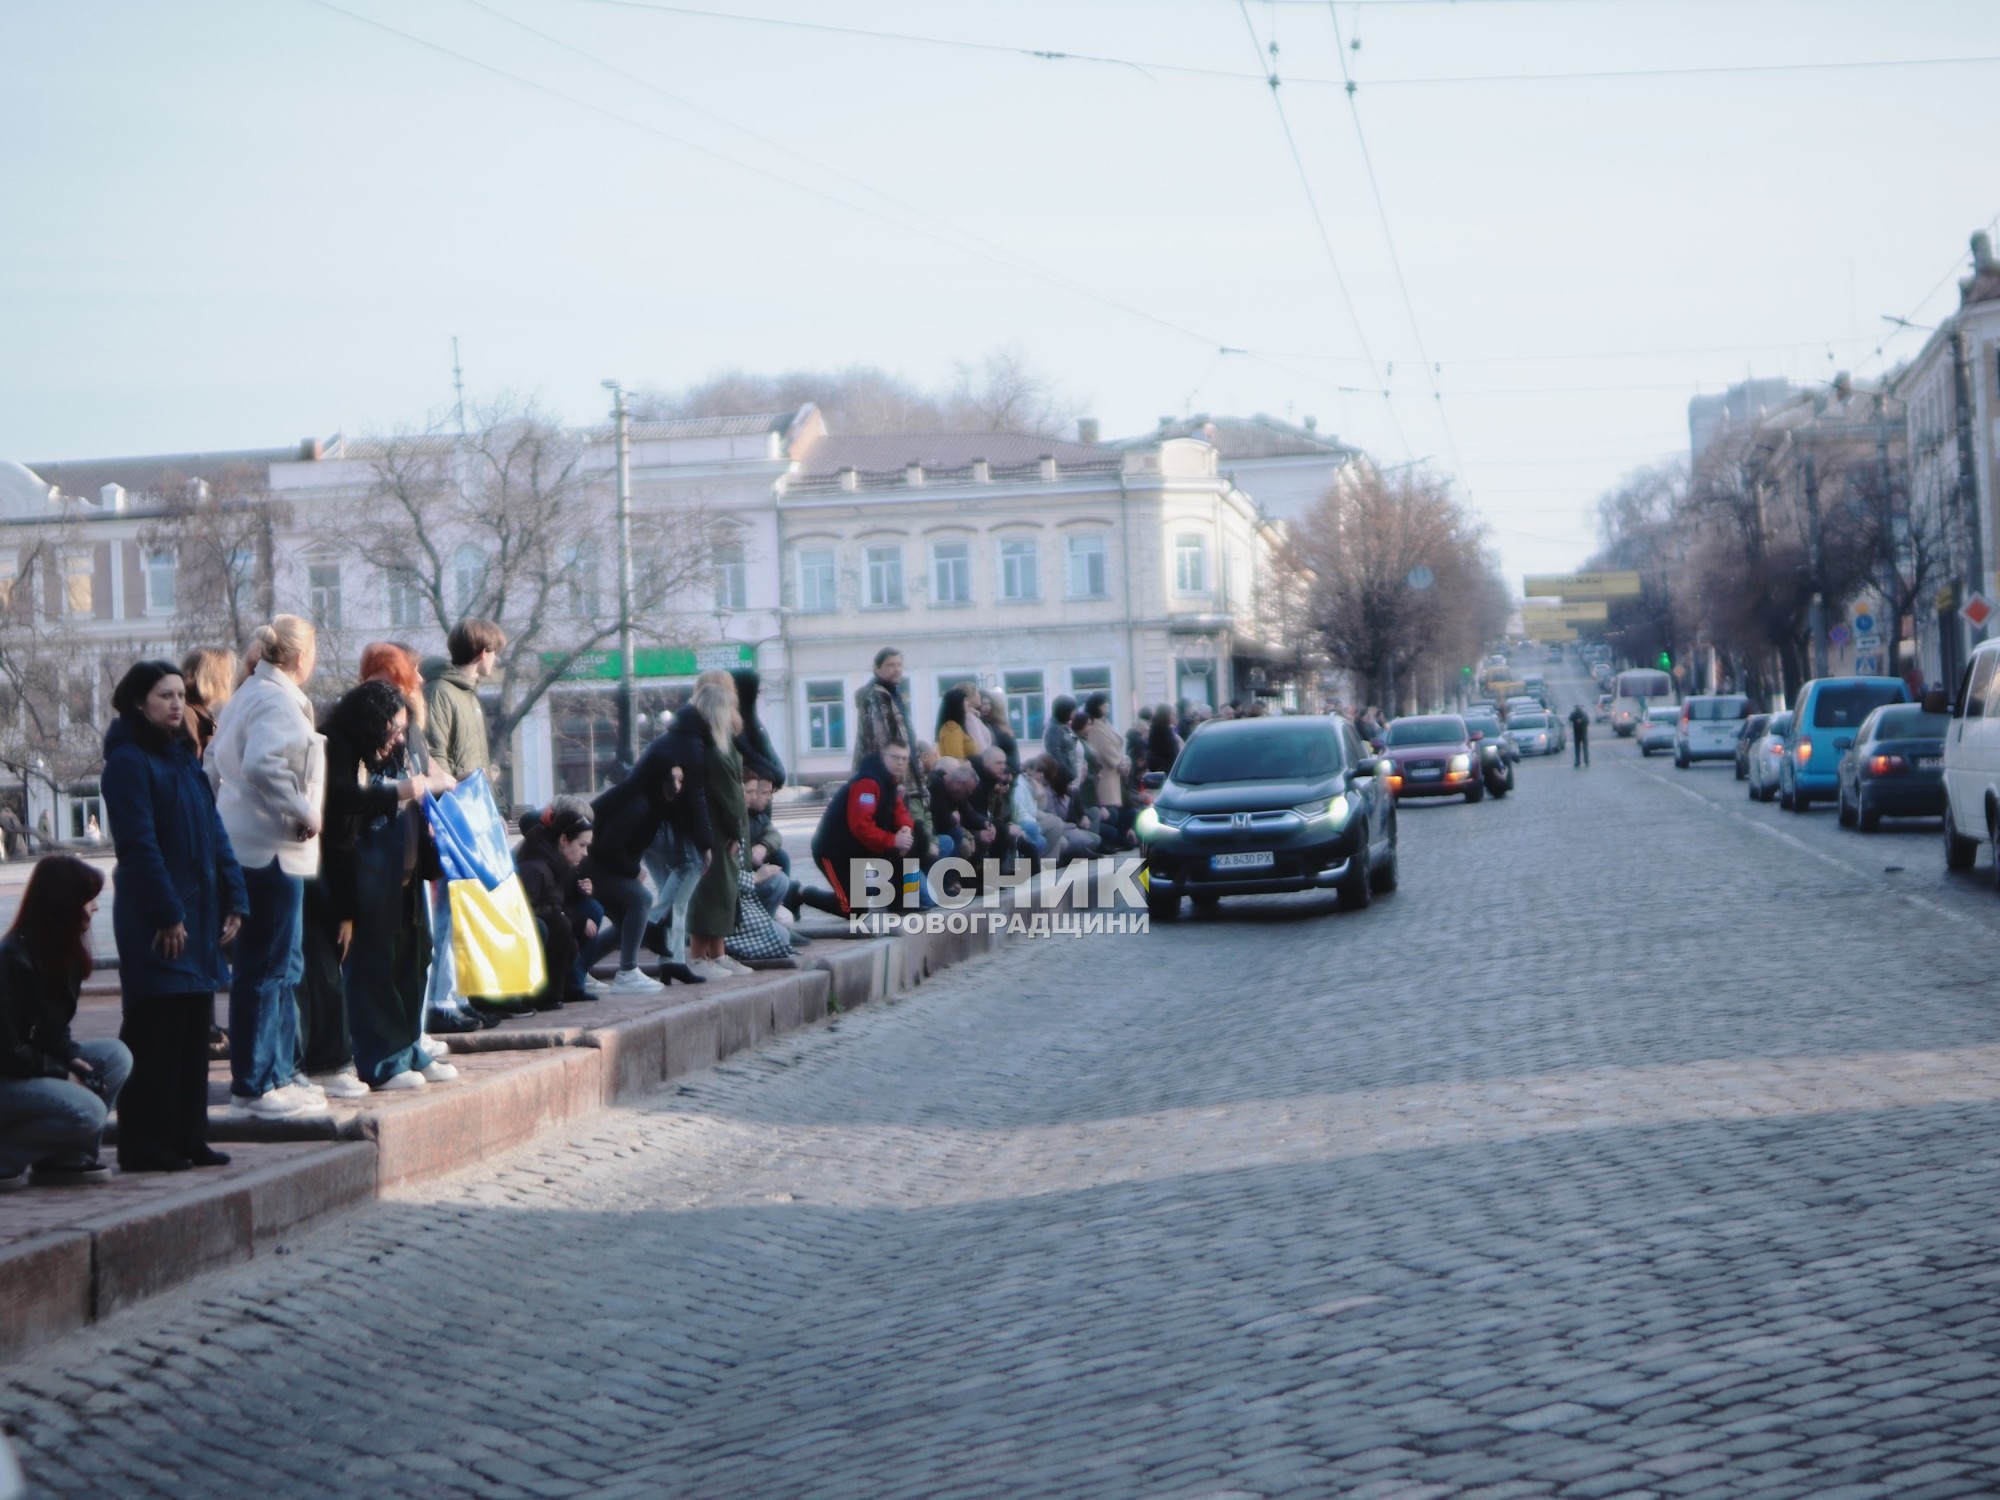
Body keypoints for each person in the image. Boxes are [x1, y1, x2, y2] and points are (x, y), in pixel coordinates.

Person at [101, 660, 248, 1171]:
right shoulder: (128, 762)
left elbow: (214, 832)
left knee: (190, 1034)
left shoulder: (183, 757)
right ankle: (146, 1145)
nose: (177, 704)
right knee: (156, 1034)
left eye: (181, 695)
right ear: (138, 702)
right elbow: (138, 846)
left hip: (200, 917)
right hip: (158, 920)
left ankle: (189, 1137)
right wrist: (167, 912)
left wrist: (236, 896)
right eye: (165, 696)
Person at [205, 616, 328, 1119]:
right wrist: (302, 810)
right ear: (300, 657)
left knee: (279, 965)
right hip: (270, 848)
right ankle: (256, 1083)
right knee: (268, 967)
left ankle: (274, 1073)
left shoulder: (251, 694)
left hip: (259, 843)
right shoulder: (274, 699)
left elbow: (214, 762)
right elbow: (260, 764)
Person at [321, 680, 456, 1092]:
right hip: (365, 874)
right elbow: (339, 800)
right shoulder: (337, 745)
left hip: (405, 874)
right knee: (374, 969)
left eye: (402, 729)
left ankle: (409, 1046)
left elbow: (429, 775)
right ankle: (381, 1059)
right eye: (393, 729)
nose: (398, 738)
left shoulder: (402, 745)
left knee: (415, 960)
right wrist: (396, 792)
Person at [0, 856, 129, 1188]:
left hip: (30, 1068)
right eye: (88, 899)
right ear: (64, 904)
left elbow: (52, 1030)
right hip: (8, 1077)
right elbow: (8, 1048)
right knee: (90, 1110)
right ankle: (7, 1156)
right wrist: (62, 1073)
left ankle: (69, 1157)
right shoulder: (11, 959)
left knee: (115, 1057)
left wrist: (72, 1058)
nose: (95, 907)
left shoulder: (61, 952)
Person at [421, 618, 505, 1036]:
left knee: (465, 909)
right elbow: (437, 754)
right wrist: (446, 804)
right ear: (482, 653)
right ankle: (441, 1001)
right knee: (450, 910)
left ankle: (457, 996)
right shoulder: (443, 692)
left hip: (472, 812)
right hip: (455, 814)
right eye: (495, 652)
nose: (497, 660)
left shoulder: (467, 695)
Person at [590, 703, 706, 992]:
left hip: (602, 866)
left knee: (632, 915)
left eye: (682, 780)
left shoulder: (654, 804)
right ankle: (629, 968)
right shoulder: (640, 806)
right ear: (660, 780)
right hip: (593, 866)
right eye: (674, 780)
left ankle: (581, 966)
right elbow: (609, 847)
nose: (679, 787)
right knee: (641, 900)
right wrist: (633, 871)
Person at [685, 679, 749, 982]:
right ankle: (700, 956)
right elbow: (731, 795)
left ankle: (716, 954)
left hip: (716, 826)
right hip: (718, 829)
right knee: (713, 891)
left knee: (721, 891)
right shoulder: (716, 748)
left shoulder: (712, 743)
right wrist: (738, 830)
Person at [811, 741, 915, 916]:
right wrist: (893, 840)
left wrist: (906, 829)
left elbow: (899, 810)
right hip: (834, 851)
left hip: (858, 848)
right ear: (883, 756)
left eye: (905, 758)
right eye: (895, 757)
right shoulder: (867, 783)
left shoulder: (889, 782)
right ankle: (800, 894)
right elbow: (861, 826)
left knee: (910, 841)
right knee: (853, 909)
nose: (900, 762)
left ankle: (900, 903)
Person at [514, 799, 595, 1010]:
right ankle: (540, 994)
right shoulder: (536, 867)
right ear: (563, 840)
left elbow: (556, 900)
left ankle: (564, 988)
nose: (585, 853)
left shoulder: (556, 863)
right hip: (521, 938)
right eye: (582, 845)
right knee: (560, 925)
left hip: (545, 924)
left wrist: (580, 892)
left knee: (584, 917)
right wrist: (567, 918)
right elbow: (521, 912)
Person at [1082, 693, 1132, 842]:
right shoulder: (1095, 727)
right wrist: (1120, 762)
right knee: (1111, 811)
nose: (1107, 706)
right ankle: (1109, 840)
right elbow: (1105, 748)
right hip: (1106, 774)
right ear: (1097, 707)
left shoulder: (1106, 723)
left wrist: (1124, 760)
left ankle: (1117, 839)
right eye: (1104, 704)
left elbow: (1116, 746)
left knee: (1117, 810)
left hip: (1115, 773)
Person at [179, 646, 238, 760]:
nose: (229, 680)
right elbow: (194, 760)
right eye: (227, 674)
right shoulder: (187, 714)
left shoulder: (201, 712)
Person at [731, 668, 785, 789]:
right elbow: (778, 774)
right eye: (756, 690)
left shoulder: (751, 719)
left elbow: (778, 771)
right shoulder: (738, 724)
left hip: (759, 789)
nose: (759, 693)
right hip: (751, 790)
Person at [935, 684, 980, 762]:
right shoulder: (951, 727)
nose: (968, 703)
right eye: (965, 700)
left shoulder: (957, 726)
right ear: (957, 704)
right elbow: (956, 758)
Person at [1147, 707, 1184, 774]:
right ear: (1166, 716)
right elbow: (1172, 752)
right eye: (1172, 714)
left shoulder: (1161, 729)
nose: (1175, 717)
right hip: (1167, 769)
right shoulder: (1164, 731)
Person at [1569, 703, 1591, 768]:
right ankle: (1585, 761)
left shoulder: (1576, 714)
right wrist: (1582, 720)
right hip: (1582, 734)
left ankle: (1579, 762)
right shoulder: (1583, 714)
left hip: (1578, 734)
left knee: (1578, 749)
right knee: (1584, 748)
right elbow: (1588, 721)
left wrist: (1580, 720)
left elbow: (1570, 718)